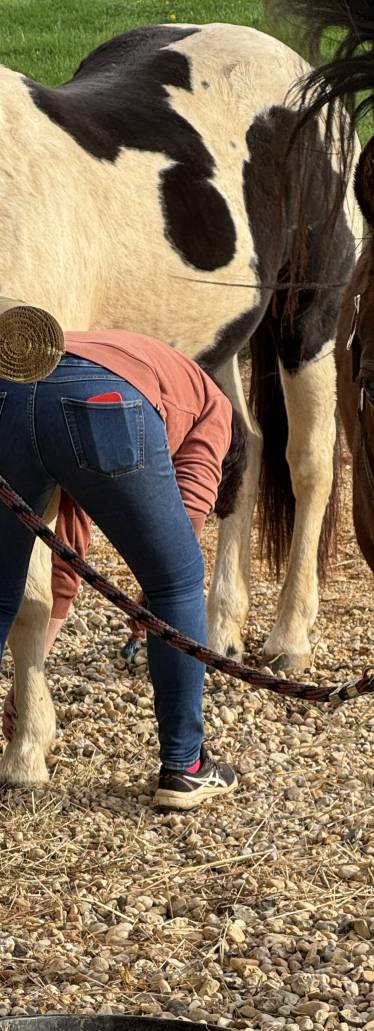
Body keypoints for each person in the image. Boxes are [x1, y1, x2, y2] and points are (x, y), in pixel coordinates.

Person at [0, 300, 238, 810]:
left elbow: (66, 543)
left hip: (11, 391)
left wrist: (32, 673)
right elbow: (186, 522)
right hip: (104, 401)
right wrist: (155, 602)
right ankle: (185, 766)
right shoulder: (215, 408)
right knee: (178, 583)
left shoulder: (139, 356)